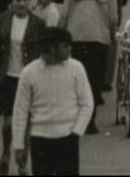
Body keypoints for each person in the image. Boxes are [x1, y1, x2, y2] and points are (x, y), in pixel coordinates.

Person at [11, 26, 93, 177]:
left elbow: (87, 103)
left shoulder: (76, 68)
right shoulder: (29, 73)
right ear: (51, 48)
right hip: (40, 139)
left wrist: (77, 131)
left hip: (68, 138)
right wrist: (18, 145)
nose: (70, 49)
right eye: (65, 46)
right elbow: (20, 111)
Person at [0, 0, 45, 175]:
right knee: (8, 123)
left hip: (28, 78)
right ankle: (5, 152)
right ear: (11, 2)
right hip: (9, 76)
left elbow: (42, 50)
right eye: (18, 0)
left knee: (26, 124)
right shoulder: (3, 19)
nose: (22, 3)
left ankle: (22, 162)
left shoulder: (38, 23)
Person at [63, 0, 117, 132]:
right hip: (98, 38)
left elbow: (64, 15)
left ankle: (74, 117)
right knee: (94, 79)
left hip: (76, 37)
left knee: (76, 78)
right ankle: (90, 121)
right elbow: (113, 17)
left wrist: (61, 34)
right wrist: (112, 34)